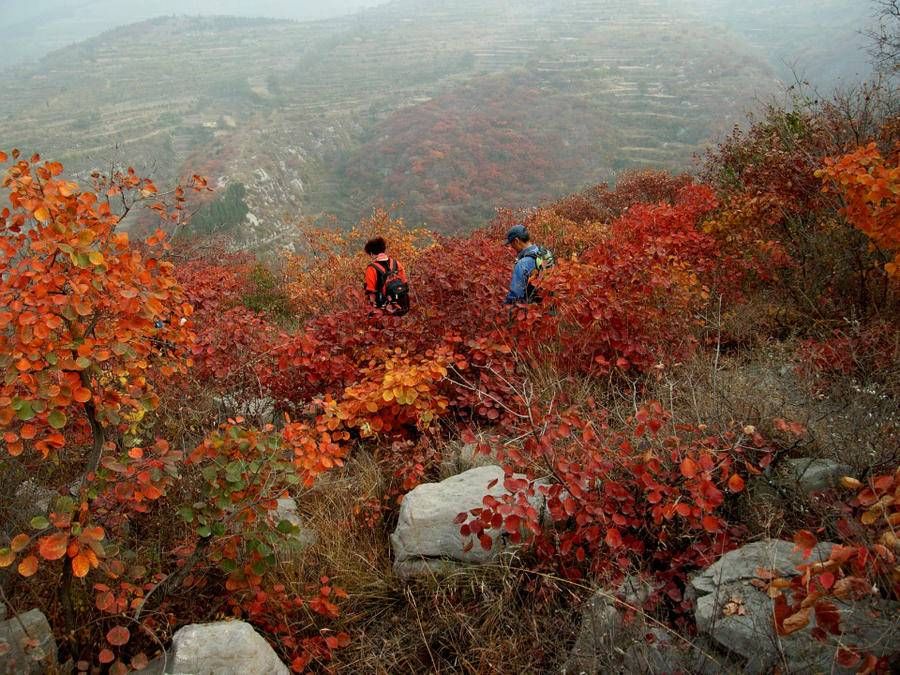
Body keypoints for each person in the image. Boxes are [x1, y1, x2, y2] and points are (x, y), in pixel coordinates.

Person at [503, 224, 555, 304]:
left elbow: (515, 296)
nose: (511, 247)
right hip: (549, 306)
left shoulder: (522, 264)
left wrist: (504, 308)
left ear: (517, 241)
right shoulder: (546, 253)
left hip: (531, 311)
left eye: (511, 244)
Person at [364, 237, 410, 315]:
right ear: (383, 250)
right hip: (400, 307)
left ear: (371, 253)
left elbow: (371, 292)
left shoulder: (371, 268)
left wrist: (371, 311)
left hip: (383, 310)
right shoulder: (396, 263)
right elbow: (405, 284)